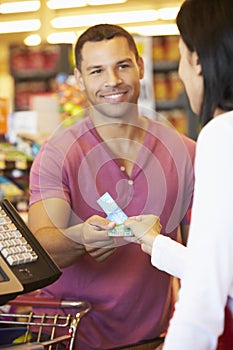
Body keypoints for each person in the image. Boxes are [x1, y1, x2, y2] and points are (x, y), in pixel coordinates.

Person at [27, 23, 196, 350]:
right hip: (71, 338)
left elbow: (200, 256)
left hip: (154, 339)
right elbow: (42, 247)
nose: (112, 81)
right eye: (96, 71)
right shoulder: (58, 154)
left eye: (122, 65)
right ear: (79, 79)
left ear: (140, 66)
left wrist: (185, 331)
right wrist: (80, 239)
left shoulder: (186, 153)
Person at [124, 0, 233, 348]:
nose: (183, 75)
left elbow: (204, 298)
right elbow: (218, 270)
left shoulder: (221, 135)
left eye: (183, 57)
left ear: (198, 60)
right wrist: (156, 242)